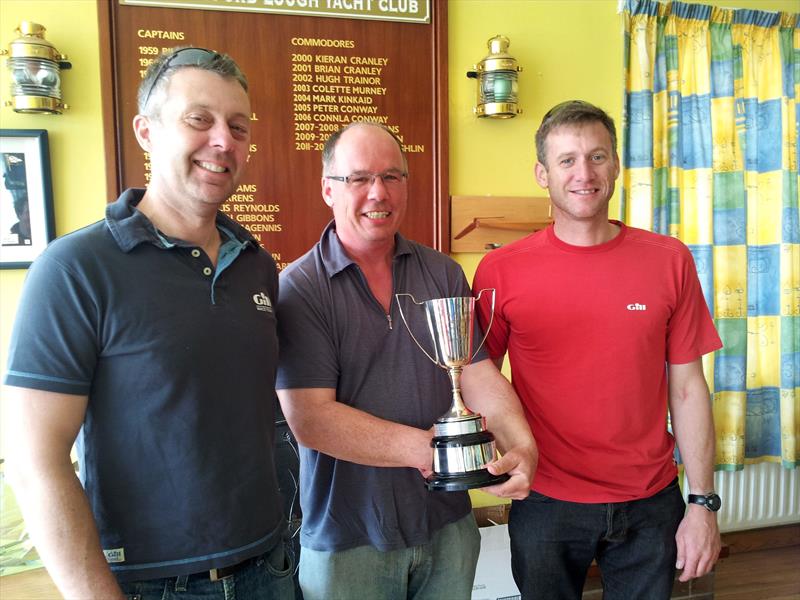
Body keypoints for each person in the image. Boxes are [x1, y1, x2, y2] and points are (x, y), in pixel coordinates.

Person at [3, 47, 295, 599]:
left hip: (269, 566)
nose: (223, 141)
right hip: (151, 585)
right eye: (198, 120)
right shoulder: (73, 270)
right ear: (146, 131)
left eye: (238, 126)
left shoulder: (256, 265)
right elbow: (33, 459)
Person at [472, 100, 723, 600]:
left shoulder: (669, 259)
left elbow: (689, 388)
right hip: (545, 500)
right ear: (542, 173)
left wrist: (702, 504)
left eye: (597, 156)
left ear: (615, 165)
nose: (583, 173)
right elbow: (478, 375)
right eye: (566, 160)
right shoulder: (501, 271)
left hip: (651, 501)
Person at [275, 122, 538, 600]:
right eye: (359, 178)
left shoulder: (443, 273)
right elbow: (310, 419)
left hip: (448, 527)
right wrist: (432, 452)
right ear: (328, 189)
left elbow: (477, 374)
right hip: (347, 540)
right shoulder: (299, 288)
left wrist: (522, 446)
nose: (378, 192)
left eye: (392, 177)